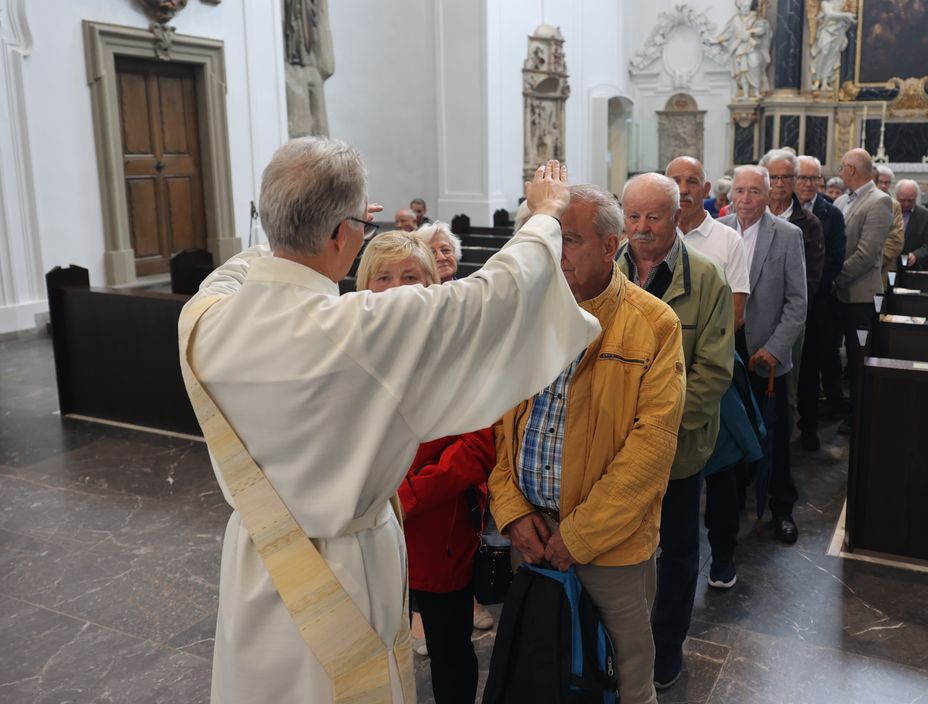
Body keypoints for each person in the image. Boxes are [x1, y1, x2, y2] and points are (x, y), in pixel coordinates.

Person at [179, 142, 599, 704]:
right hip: (343, 572)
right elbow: (498, 294)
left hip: (256, 562)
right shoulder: (364, 329)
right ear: (341, 237)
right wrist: (545, 213)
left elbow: (247, 267)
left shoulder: (206, 317)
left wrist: (332, 220)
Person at [489, 184, 685, 704]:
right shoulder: (528, 312)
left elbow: (652, 449)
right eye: (552, 238)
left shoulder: (653, 324)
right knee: (542, 672)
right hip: (531, 532)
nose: (557, 253)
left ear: (610, 245)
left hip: (611, 545)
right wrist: (510, 509)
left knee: (624, 678)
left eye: (570, 240)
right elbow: (500, 425)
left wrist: (578, 536)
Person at [356, 232, 492, 704]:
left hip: (437, 529)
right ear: (365, 285)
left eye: (410, 277)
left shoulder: (457, 349)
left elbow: (477, 445)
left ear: (432, 282)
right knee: (374, 646)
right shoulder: (350, 349)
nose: (397, 288)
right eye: (384, 277)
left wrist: (408, 496)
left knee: (449, 647)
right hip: (367, 527)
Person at [620, 172, 734, 691]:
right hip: (611, 450)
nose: (641, 229)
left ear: (677, 215)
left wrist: (657, 433)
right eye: (633, 217)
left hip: (678, 451)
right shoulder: (606, 268)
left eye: (653, 217)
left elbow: (713, 372)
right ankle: (618, 648)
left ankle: (666, 650)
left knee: (679, 551)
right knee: (616, 550)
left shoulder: (706, 277)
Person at [717, 165, 807, 556]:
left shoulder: (787, 236)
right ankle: (731, 508)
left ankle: (781, 509)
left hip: (767, 356)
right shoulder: (719, 231)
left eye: (755, 191)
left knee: (774, 440)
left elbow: (797, 302)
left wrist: (775, 347)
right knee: (732, 437)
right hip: (726, 353)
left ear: (769, 195)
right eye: (740, 191)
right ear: (730, 196)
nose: (747, 199)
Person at [791, 155, 846, 449]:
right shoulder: (781, 209)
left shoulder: (831, 212)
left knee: (811, 369)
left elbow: (836, 258)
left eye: (814, 178)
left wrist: (810, 295)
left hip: (817, 305)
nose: (809, 184)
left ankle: (809, 427)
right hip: (783, 306)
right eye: (803, 177)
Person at [834, 149, 893, 413]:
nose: (839, 172)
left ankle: (858, 415)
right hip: (837, 296)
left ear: (852, 169)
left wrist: (835, 278)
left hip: (859, 297)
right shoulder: (841, 202)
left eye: (842, 167)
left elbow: (867, 255)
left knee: (859, 357)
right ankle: (838, 404)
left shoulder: (879, 201)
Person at [667, 156, 749, 328]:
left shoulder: (729, 239)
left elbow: (736, 314)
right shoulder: (657, 236)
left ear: (706, 190)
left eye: (692, 182)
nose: (683, 190)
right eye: (675, 181)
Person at [763, 148, 825, 298]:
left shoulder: (810, 224)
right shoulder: (751, 216)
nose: (779, 183)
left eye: (786, 177)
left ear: (795, 179)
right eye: (773, 177)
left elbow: (811, 277)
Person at [896, 180, 928, 271]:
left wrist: (916, 255)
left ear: (916, 197)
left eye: (911, 200)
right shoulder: (887, 212)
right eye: (902, 200)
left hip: (911, 268)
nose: (906, 204)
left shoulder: (927, 217)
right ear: (896, 196)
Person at [875, 166, 904, 288]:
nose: (883, 185)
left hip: (883, 266)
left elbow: (895, 240)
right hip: (859, 268)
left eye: (886, 182)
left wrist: (875, 263)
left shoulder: (894, 205)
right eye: (880, 182)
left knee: (880, 303)